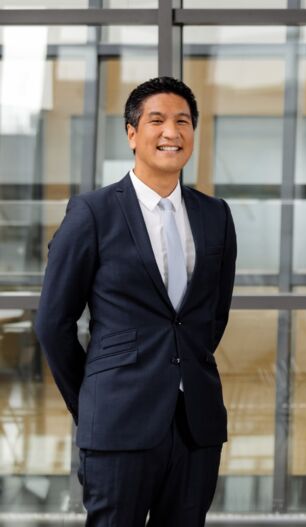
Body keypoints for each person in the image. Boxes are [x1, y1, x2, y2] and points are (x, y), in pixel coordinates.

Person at [35, 76, 237, 526]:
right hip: (118, 421)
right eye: (157, 120)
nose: (172, 132)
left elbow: (211, 317)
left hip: (195, 425)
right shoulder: (93, 213)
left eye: (183, 121)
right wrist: (91, 398)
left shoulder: (215, 215)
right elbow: (53, 322)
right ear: (132, 133)